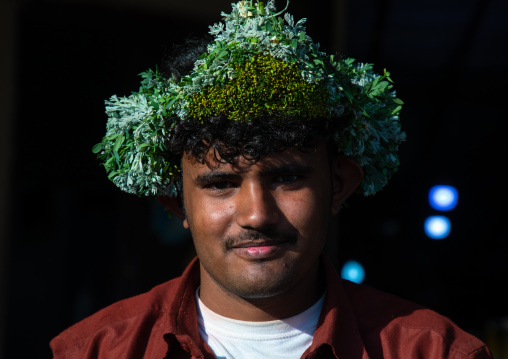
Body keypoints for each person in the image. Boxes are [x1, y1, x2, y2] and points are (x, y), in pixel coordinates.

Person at [51, 1, 492, 358]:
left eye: (287, 178)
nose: (257, 214)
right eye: (221, 183)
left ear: (338, 185)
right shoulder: (93, 350)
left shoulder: (433, 350)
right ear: (176, 202)